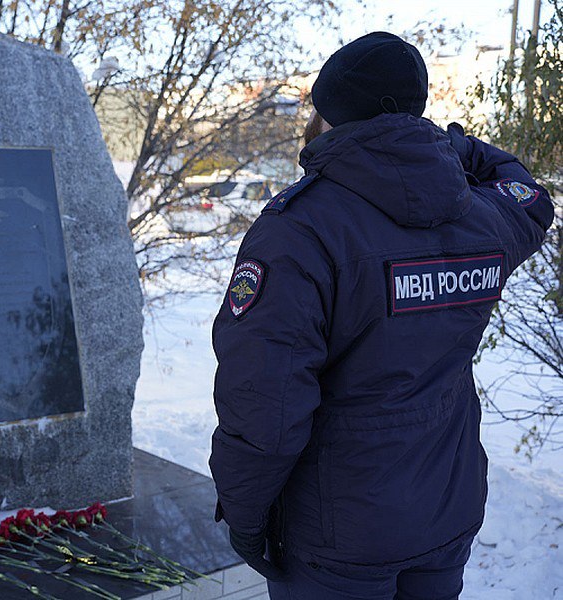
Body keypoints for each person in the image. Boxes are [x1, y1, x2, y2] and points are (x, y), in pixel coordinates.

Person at [209, 31, 555, 600]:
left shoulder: (298, 231)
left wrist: (246, 517)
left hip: (338, 535)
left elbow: (265, 404)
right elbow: (529, 196)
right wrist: (454, 148)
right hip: (445, 509)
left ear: (327, 110)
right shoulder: (481, 218)